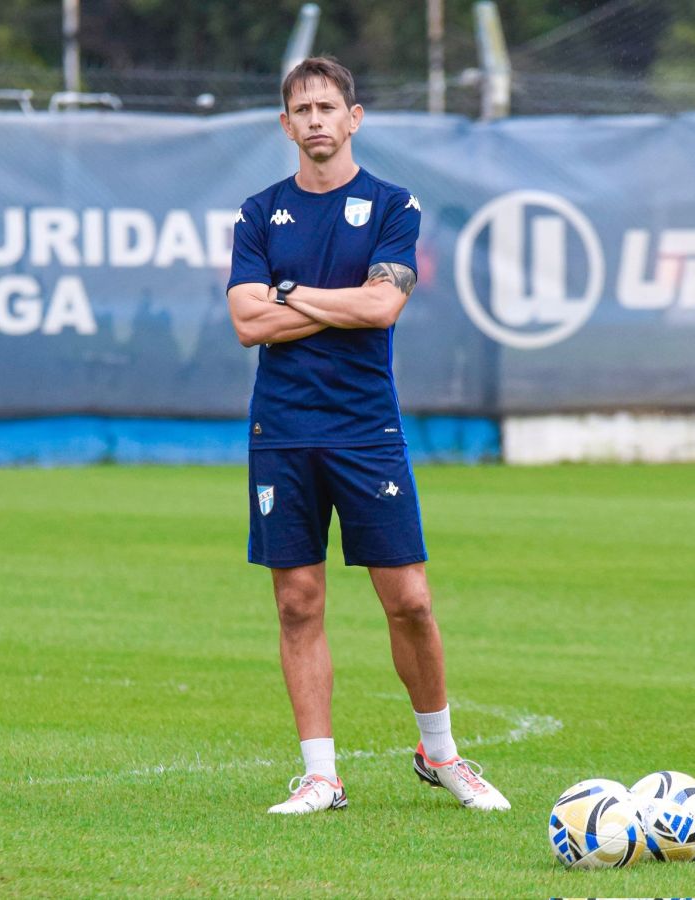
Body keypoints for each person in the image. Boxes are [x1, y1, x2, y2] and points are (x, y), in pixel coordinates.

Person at [225, 56, 510, 815]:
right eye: (302, 109)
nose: (315, 120)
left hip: (365, 427)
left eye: (328, 107)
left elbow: (383, 308)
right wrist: (336, 302)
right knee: (297, 601)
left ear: (354, 118)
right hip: (282, 428)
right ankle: (321, 775)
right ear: (285, 125)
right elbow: (246, 322)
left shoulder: (392, 205)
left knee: (409, 599)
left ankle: (440, 753)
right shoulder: (258, 214)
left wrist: (289, 295)